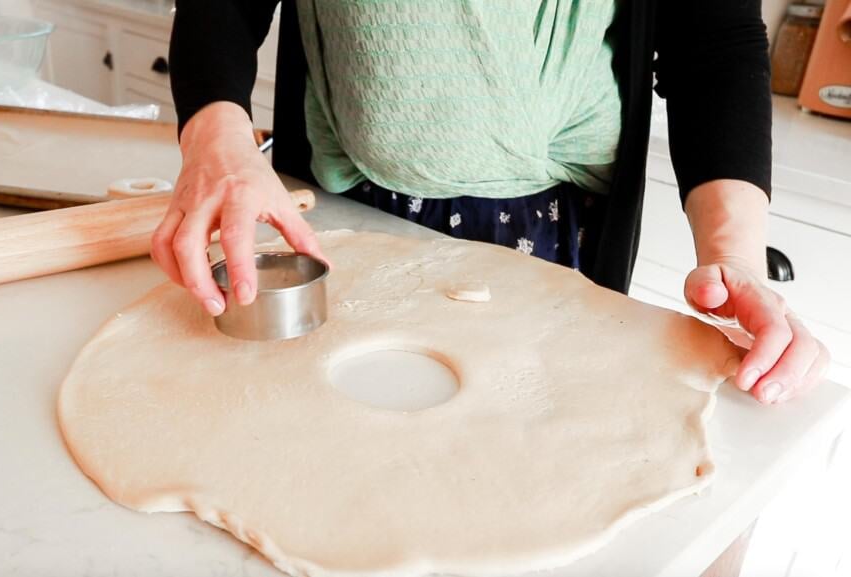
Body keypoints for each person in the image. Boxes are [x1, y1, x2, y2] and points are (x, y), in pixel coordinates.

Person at [151, 0, 828, 405]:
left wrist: (736, 260)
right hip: (337, 211)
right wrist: (217, 140)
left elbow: (711, 42)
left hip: (548, 229)